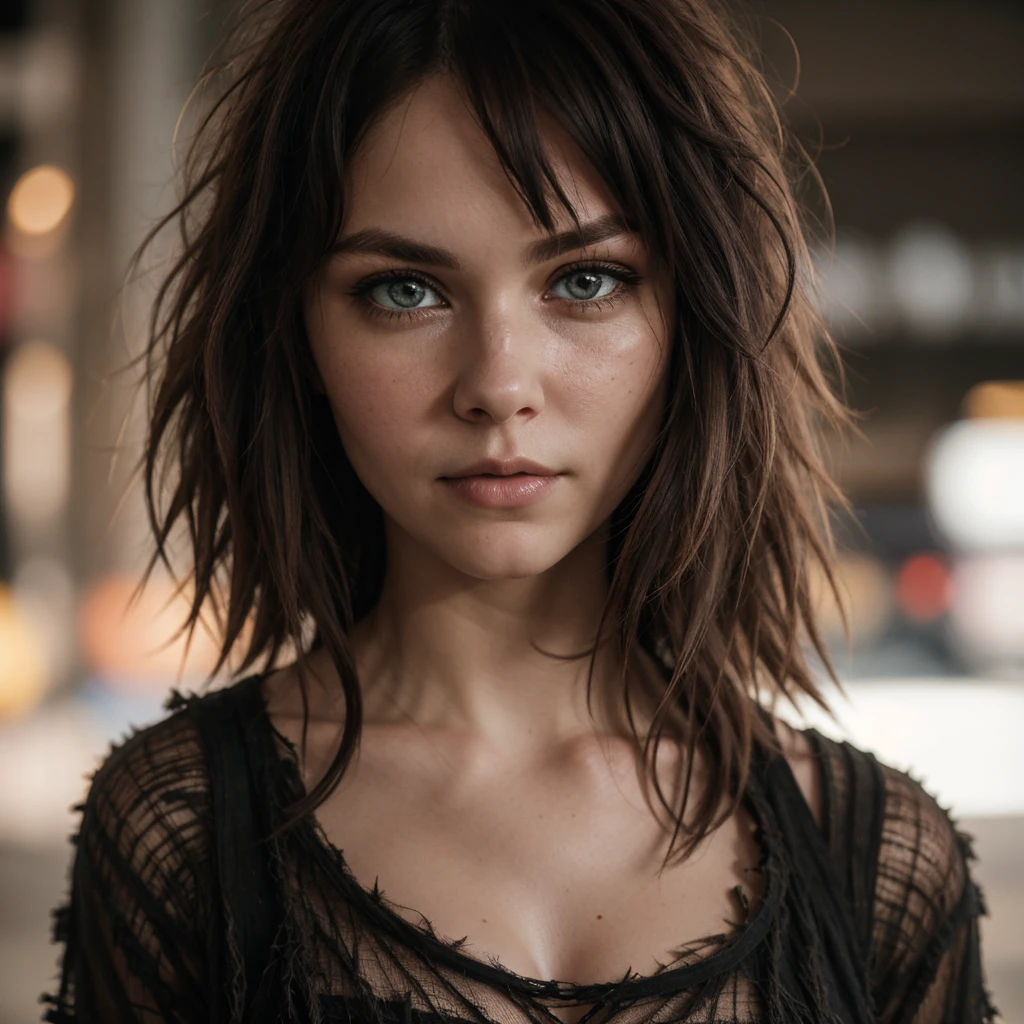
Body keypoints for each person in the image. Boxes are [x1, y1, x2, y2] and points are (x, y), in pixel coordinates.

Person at [41, 1, 997, 1022]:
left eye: (585, 280)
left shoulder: (879, 859)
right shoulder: (180, 832)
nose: (498, 384)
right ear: (298, 336)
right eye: (405, 290)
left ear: (693, 320)